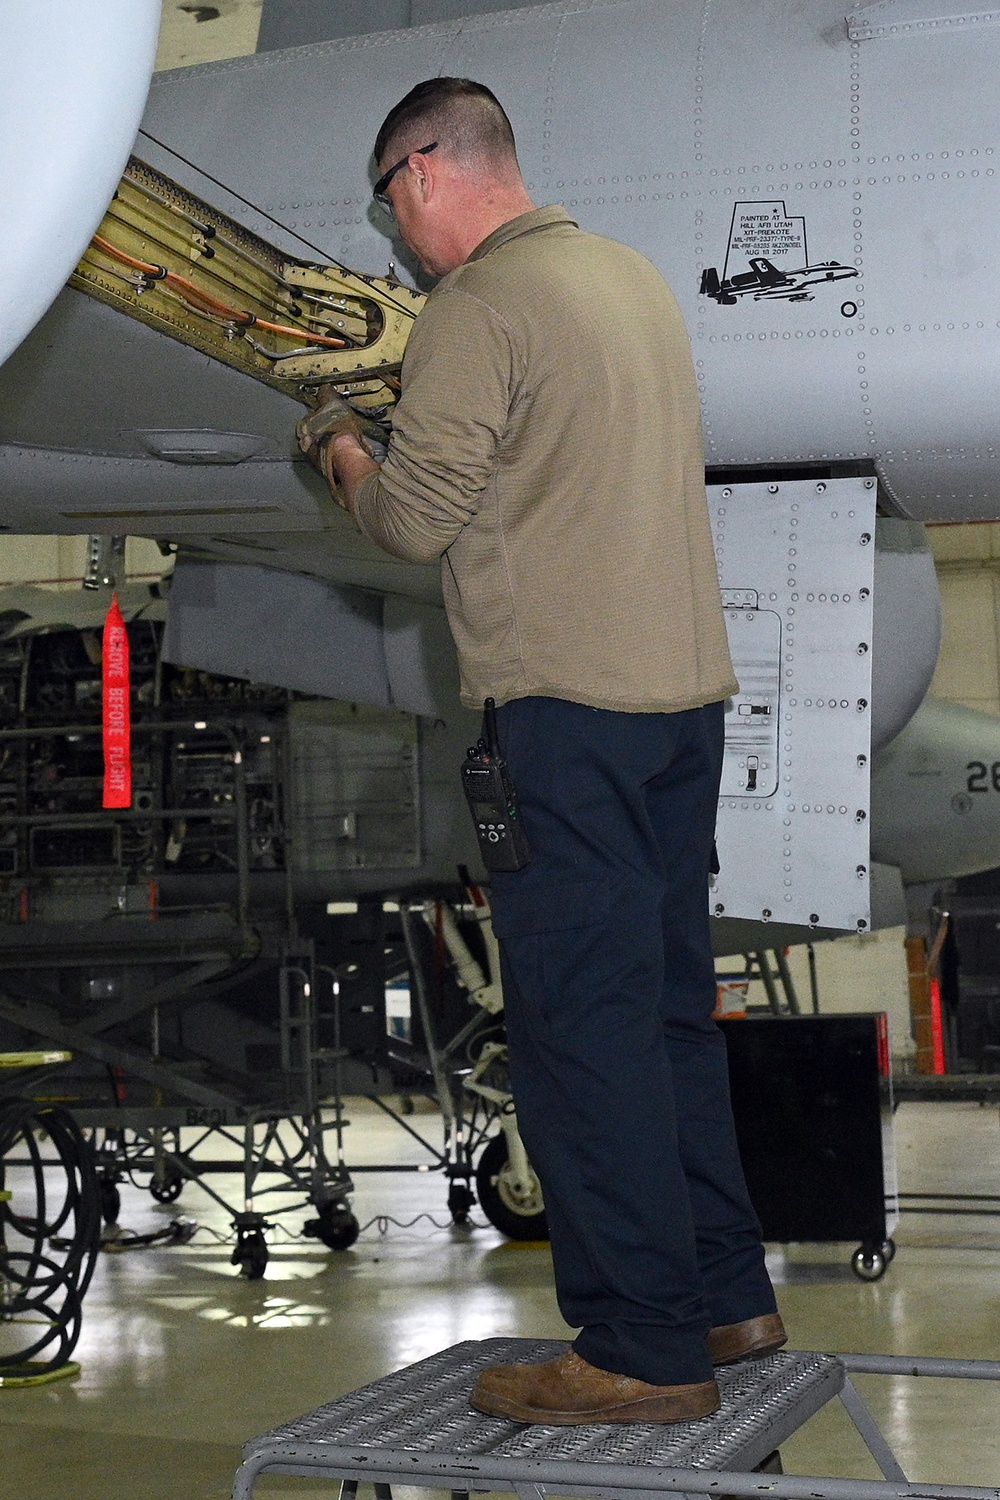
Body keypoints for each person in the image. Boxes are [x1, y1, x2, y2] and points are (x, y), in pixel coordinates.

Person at [298, 77, 785, 1427]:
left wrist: (338, 444)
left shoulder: (480, 308)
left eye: (393, 202)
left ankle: (639, 1349)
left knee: (582, 1037)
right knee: (671, 1012)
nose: (398, 233)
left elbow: (412, 523)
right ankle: (725, 1296)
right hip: (682, 714)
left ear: (426, 173)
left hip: (566, 724)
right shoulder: (625, 278)